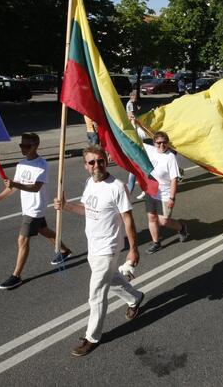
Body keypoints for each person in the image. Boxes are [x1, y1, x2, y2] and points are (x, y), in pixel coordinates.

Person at [53, 145, 144, 357]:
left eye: (100, 161)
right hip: (93, 246)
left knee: (96, 294)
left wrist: (133, 249)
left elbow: (128, 219)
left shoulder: (117, 187)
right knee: (111, 280)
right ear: (86, 165)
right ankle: (135, 298)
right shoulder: (89, 183)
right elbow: (87, 210)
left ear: (106, 160)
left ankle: (92, 337)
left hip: (109, 248)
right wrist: (65, 206)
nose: (96, 165)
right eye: (91, 162)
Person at [0, 133, 72, 290]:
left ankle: (16, 276)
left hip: (35, 208)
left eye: (27, 146)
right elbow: (12, 187)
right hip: (27, 207)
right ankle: (65, 250)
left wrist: (15, 185)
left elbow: (36, 187)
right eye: (21, 145)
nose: (23, 149)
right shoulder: (21, 164)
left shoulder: (42, 165)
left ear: (36, 145)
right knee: (44, 231)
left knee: (22, 240)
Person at [143, 131, 188, 254]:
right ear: (154, 143)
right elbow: (133, 139)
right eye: (158, 143)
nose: (161, 145)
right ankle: (156, 243)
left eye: (164, 143)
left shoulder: (170, 157)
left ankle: (182, 227)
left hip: (165, 193)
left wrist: (172, 198)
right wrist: (133, 122)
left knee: (164, 221)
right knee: (152, 217)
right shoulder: (151, 150)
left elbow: (174, 179)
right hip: (151, 190)